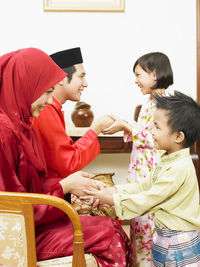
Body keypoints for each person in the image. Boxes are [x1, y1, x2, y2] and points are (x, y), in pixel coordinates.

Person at [0, 47, 132, 266]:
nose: (49, 99)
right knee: (110, 235)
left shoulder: (22, 125)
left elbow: (40, 180)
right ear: (26, 86)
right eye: (46, 91)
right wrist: (66, 187)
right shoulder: (5, 133)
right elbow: (13, 206)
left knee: (112, 228)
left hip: (37, 220)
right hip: (23, 231)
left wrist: (75, 187)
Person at [82, 91, 200, 266]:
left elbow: (149, 199)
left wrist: (112, 199)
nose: (151, 131)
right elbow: (144, 185)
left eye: (157, 127)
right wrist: (114, 190)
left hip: (178, 245)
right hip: (165, 238)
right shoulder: (168, 160)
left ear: (178, 136)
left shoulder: (178, 168)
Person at [102, 52, 174, 265]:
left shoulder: (164, 104)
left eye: (138, 74)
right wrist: (126, 125)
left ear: (154, 74)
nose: (135, 80)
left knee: (146, 226)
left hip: (150, 175)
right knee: (139, 223)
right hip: (141, 173)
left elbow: (158, 139)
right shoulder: (150, 102)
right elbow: (143, 132)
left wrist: (126, 126)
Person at [32, 47, 113, 190]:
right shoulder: (45, 110)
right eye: (81, 76)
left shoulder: (51, 108)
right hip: (49, 195)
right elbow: (67, 164)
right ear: (62, 78)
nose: (86, 83)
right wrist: (97, 128)